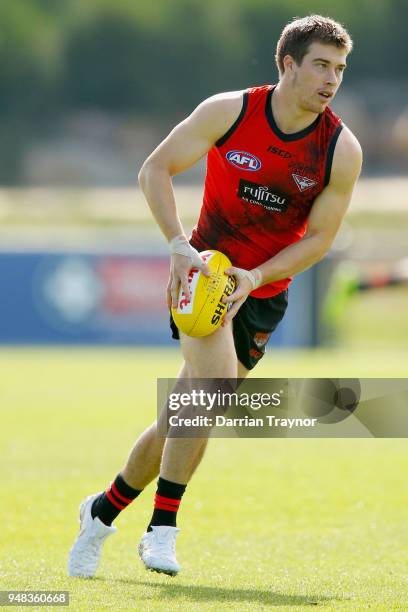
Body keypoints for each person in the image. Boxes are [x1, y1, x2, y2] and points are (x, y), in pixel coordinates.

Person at [68, 14, 362, 578]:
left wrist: (254, 279)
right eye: (321, 65)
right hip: (203, 275)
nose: (332, 79)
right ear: (288, 64)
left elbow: (321, 239)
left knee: (187, 411)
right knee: (213, 388)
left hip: (262, 290)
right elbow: (155, 169)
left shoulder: (339, 151)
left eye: (341, 69)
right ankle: (163, 528)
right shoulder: (230, 111)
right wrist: (179, 245)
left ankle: (101, 511)